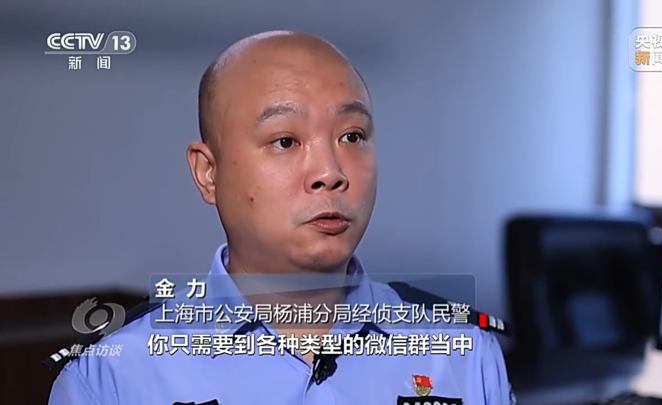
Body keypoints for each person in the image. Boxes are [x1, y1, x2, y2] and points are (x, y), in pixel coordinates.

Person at [46, 30, 514, 405]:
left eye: (352, 136)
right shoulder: (112, 375)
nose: (329, 173)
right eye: (285, 141)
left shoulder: (465, 354)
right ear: (208, 173)